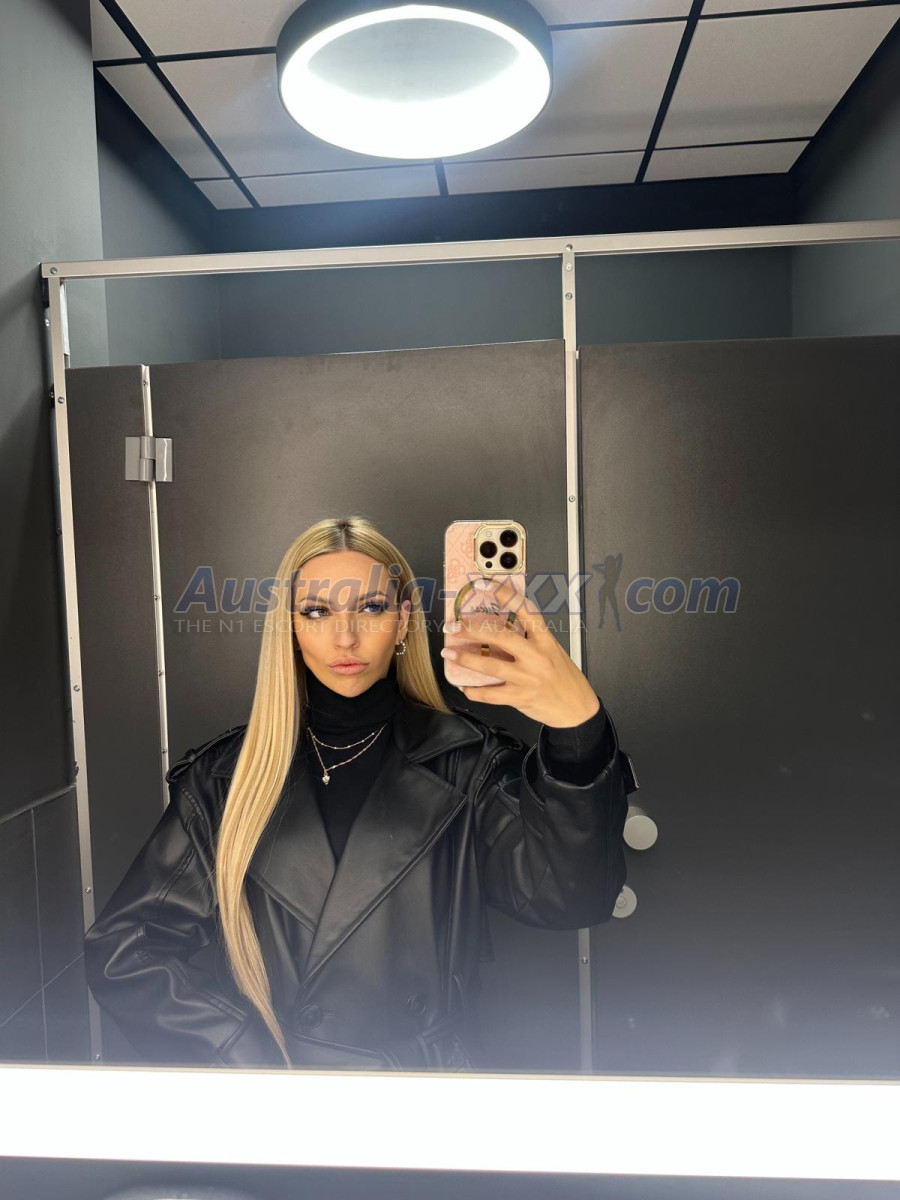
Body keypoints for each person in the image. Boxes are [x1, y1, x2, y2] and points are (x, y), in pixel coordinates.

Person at [84, 515, 635, 1071]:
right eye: (317, 612)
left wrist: (577, 730)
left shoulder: (468, 762)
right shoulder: (226, 777)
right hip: (281, 1094)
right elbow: (126, 948)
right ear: (289, 627)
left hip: (422, 1093)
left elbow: (571, 897)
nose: (344, 637)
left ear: (403, 622)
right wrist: (246, 1059)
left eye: (371, 608)